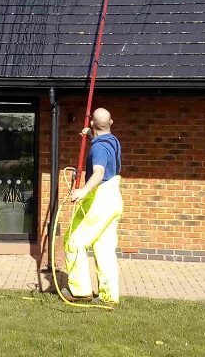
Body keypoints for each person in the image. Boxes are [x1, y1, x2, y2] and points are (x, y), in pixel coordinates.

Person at [64, 107, 123, 304]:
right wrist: (89, 134)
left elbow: (98, 172)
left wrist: (82, 191)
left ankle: (80, 291)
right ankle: (108, 296)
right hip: (114, 197)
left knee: (74, 241)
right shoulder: (113, 142)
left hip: (100, 198)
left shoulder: (98, 148)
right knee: (103, 247)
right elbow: (100, 138)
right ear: (111, 123)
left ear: (91, 123)